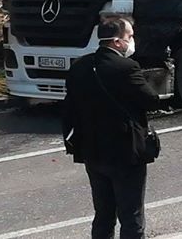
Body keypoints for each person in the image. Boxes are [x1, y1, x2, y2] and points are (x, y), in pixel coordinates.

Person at [62, 16, 161, 239]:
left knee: (103, 213)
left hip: (92, 151)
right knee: (131, 214)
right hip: (125, 151)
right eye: (130, 36)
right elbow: (150, 100)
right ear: (117, 41)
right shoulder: (126, 67)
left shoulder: (80, 66)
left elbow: (69, 108)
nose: (132, 41)